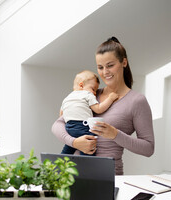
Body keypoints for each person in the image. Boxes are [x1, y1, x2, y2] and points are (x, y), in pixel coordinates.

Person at [52, 37, 155, 175]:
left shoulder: (136, 101)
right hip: (73, 173)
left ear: (124, 62)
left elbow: (148, 148)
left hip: (106, 175)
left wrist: (115, 134)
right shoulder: (90, 95)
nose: (105, 72)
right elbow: (57, 125)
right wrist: (74, 142)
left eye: (110, 65)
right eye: (100, 67)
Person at [60, 70, 119, 155]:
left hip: (69, 128)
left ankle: (59, 164)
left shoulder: (67, 98)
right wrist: (111, 98)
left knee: (68, 149)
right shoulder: (87, 94)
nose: (95, 93)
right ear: (81, 85)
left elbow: (61, 114)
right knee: (89, 148)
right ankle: (88, 163)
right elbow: (98, 109)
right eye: (93, 89)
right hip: (82, 127)